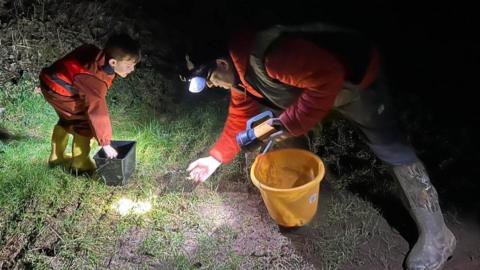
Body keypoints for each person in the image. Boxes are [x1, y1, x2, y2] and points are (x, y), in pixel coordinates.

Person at [185, 23, 455, 270]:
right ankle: (302, 198)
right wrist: (215, 158)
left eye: (211, 80)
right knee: (284, 130)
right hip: (321, 89)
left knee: (391, 148)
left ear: (221, 62)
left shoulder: (273, 56)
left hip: (356, 82)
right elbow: (238, 119)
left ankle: (439, 237)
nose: (215, 86)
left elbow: (329, 76)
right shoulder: (240, 76)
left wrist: (289, 123)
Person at [39, 33, 140, 175]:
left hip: (51, 81)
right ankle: (80, 165)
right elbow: (97, 112)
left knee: (68, 119)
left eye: (134, 65)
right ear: (113, 63)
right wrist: (105, 143)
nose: (132, 69)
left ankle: (57, 157)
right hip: (60, 90)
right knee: (85, 123)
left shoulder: (94, 54)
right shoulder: (94, 79)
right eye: (129, 66)